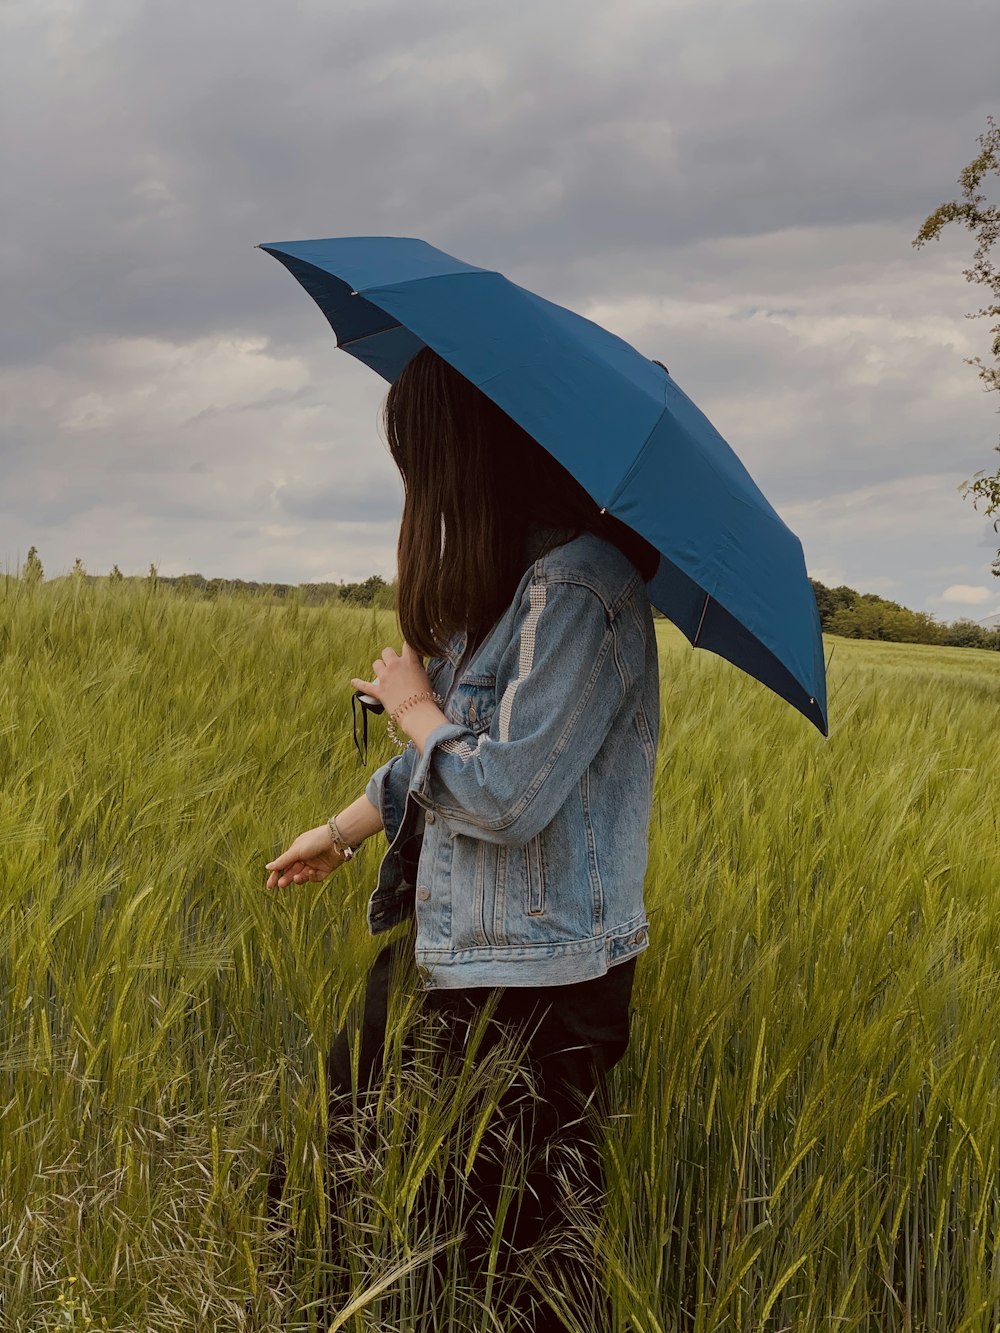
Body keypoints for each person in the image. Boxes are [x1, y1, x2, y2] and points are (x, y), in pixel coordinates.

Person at [264, 346, 662, 1329]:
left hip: (542, 987)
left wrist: (410, 706)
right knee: (338, 1177)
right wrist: (340, 831)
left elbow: (500, 791)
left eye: (431, 461)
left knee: (524, 1263)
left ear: (479, 453)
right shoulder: (512, 582)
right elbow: (432, 767)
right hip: (452, 952)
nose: (426, 494)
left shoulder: (581, 589)